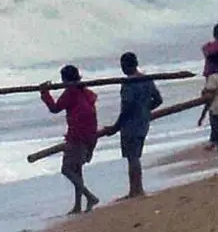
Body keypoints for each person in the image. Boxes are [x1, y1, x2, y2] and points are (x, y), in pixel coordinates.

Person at [39, 65, 100, 214]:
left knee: (66, 169)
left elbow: (55, 108)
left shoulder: (71, 92)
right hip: (90, 134)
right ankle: (78, 205)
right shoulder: (84, 91)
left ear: (65, 79)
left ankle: (90, 196)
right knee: (77, 169)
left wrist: (44, 92)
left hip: (77, 135)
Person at [104, 52, 163, 199]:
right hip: (143, 122)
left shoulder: (128, 84)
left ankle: (135, 190)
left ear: (126, 65)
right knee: (135, 155)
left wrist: (115, 127)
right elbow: (158, 100)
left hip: (130, 125)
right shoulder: (147, 79)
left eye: (123, 65)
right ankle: (137, 189)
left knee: (133, 157)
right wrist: (144, 110)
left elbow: (127, 108)